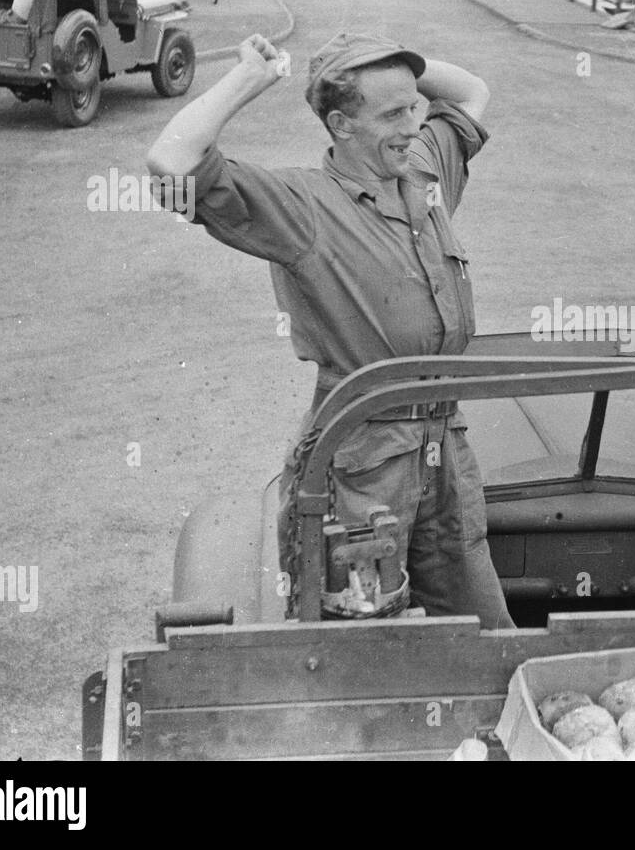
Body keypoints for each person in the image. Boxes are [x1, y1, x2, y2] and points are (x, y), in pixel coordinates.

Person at [145, 32, 515, 630]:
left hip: (445, 452)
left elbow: (472, 91)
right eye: (392, 114)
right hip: (363, 469)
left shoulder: (422, 171)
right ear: (340, 124)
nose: (413, 124)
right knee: (359, 639)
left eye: (415, 106)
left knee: (483, 630)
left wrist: (382, 57)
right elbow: (171, 162)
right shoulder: (301, 206)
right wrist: (248, 78)